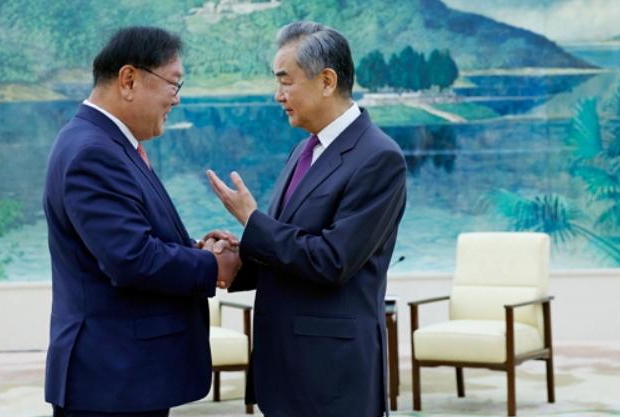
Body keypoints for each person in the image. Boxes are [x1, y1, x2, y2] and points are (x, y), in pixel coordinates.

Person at [206, 21, 407, 417]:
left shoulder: (379, 158)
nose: (277, 95)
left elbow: (332, 261)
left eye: (286, 82)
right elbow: (291, 247)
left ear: (327, 81)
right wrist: (237, 254)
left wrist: (253, 221)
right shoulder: (303, 150)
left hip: (332, 376)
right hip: (284, 368)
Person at [43, 26, 241, 417]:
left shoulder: (110, 144)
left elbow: (134, 239)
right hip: (112, 381)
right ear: (129, 80)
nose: (177, 99)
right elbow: (130, 258)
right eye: (174, 84)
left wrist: (193, 250)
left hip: (125, 378)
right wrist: (213, 264)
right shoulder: (93, 152)